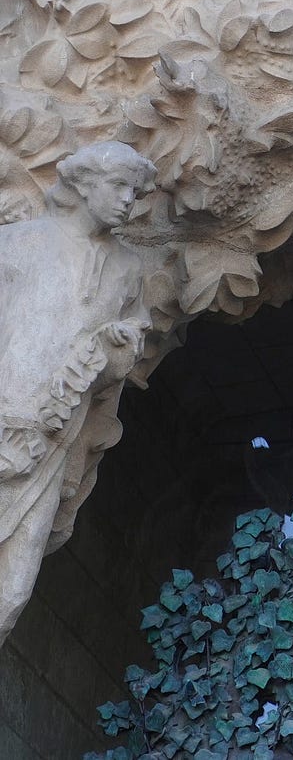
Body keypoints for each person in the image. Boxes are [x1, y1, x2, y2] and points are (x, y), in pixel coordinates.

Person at [0, 141, 156, 645]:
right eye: (118, 186)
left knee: (12, 591)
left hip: (55, 439)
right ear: (85, 185)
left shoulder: (129, 271)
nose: (128, 200)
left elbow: (113, 376)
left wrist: (116, 348)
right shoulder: (20, 243)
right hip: (5, 420)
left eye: (135, 192)